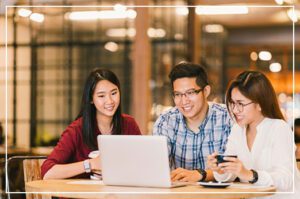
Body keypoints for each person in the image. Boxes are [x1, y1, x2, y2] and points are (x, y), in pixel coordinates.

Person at [207, 71, 300, 198]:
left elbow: (286, 179)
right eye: (233, 103)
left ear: (260, 104)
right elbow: (230, 175)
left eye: (241, 104)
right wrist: (221, 169)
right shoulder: (237, 130)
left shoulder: (279, 128)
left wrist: (250, 175)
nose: (235, 110)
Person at [41, 68, 142, 179]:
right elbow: (47, 172)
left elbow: (143, 164)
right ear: (91, 99)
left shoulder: (129, 124)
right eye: (101, 96)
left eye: (114, 93)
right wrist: (90, 164)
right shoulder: (76, 130)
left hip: (117, 194)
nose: (110, 101)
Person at [153, 62, 232, 182]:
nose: (184, 101)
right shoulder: (165, 121)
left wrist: (200, 174)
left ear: (206, 91)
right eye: (178, 94)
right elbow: (158, 166)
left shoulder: (227, 117)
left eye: (190, 93)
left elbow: (232, 168)